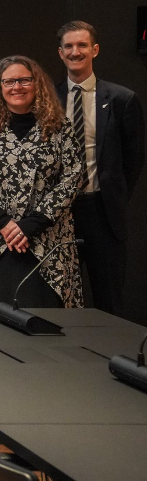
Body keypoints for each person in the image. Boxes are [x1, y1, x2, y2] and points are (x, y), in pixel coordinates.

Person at [0, 55, 83, 309]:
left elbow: (73, 177)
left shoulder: (60, 126)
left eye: (24, 80)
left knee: (44, 321)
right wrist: (4, 223)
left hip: (46, 240)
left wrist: (32, 223)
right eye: (9, 81)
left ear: (37, 84)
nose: (17, 87)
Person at [55, 21, 144, 316]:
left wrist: (112, 195)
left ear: (95, 50)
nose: (75, 51)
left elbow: (133, 160)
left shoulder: (122, 99)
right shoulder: (48, 100)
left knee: (109, 300)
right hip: (59, 214)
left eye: (81, 45)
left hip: (102, 212)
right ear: (60, 52)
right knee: (60, 298)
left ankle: (112, 360)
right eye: (68, 46)